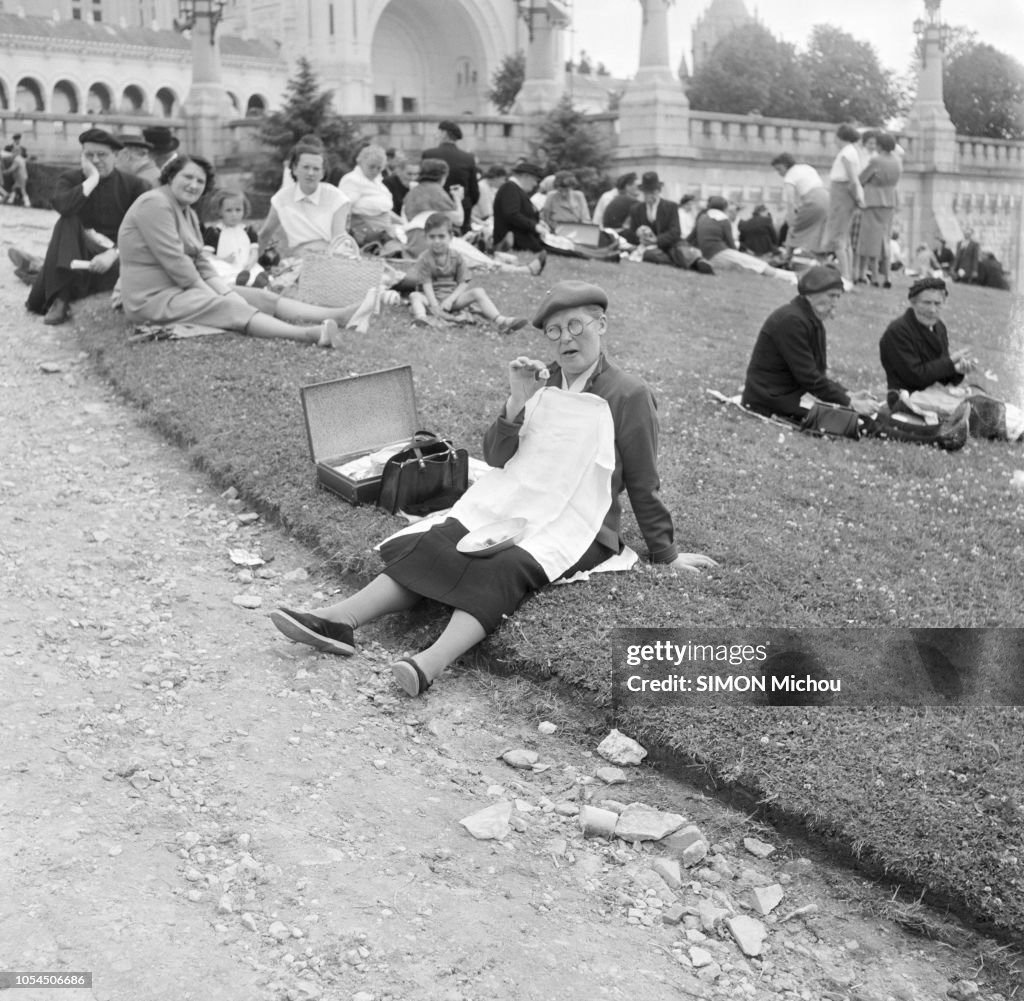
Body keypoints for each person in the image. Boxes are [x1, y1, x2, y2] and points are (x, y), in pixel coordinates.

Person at [269, 280, 718, 696]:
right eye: (555, 331)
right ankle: (339, 619)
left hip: (581, 524)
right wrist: (517, 401)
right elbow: (500, 457)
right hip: (519, 502)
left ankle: (430, 663)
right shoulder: (541, 382)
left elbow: (643, 480)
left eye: (576, 326)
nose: (566, 339)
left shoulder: (629, 394)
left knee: (511, 563)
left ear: (601, 325)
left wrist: (666, 554)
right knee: (443, 539)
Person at [118, 154, 361, 348]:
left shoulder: (186, 211)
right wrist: (219, 298)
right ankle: (309, 334)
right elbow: (175, 263)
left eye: (200, 181)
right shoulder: (154, 204)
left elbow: (199, 260)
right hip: (153, 299)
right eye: (188, 177)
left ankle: (338, 315)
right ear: (171, 176)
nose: (194, 185)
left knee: (260, 297)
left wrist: (225, 291)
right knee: (230, 307)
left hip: (180, 289)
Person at [743, 267, 969, 448]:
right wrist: (849, 401)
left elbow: (814, 375)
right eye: (831, 296)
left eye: (837, 297)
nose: (835, 303)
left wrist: (847, 394)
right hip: (770, 398)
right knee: (854, 420)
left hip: (792, 392)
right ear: (812, 294)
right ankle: (935, 440)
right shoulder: (792, 321)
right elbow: (809, 376)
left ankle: (936, 432)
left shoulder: (808, 319)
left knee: (861, 414)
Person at [22, 128, 150, 325]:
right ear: (82, 156)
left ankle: (39, 271)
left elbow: (142, 229)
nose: (96, 160)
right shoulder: (71, 179)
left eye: (102, 155)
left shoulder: (134, 185)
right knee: (67, 220)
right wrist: (91, 180)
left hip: (114, 257)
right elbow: (63, 206)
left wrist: (114, 253)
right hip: (76, 252)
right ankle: (61, 299)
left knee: (50, 269)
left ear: (116, 156)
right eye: (89, 155)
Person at [879, 277, 1023, 440]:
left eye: (937, 304)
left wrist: (957, 371)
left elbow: (943, 375)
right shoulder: (898, 331)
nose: (932, 310)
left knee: (983, 399)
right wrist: (950, 363)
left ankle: (1015, 425)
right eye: (926, 303)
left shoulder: (938, 328)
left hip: (936, 391)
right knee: (975, 407)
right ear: (913, 303)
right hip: (908, 396)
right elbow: (915, 376)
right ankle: (1014, 430)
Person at [407, 214, 528, 333]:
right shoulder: (424, 258)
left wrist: (450, 300)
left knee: (478, 292)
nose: (436, 241)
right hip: (431, 299)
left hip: (452, 300)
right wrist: (435, 307)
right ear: (425, 237)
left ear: (451, 237)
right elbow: (426, 285)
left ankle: (501, 320)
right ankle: (422, 319)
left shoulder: (456, 256)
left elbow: (463, 282)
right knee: (415, 296)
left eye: (441, 236)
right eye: (432, 237)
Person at [258, 140, 351, 256]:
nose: (310, 173)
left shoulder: (336, 197)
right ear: (295, 169)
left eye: (316, 169)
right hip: (301, 259)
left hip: (333, 258)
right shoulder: (281, 199)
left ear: (323, 173)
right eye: (305, 167)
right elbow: (264, 234)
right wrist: (249, 264)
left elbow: (338, 240)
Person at [622, 172, 713, 274]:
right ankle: (682, 262)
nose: (649, 195)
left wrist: (657, 240)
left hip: (669, 244)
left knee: (680, 250)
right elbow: (631, 233)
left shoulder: (671, 207)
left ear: (658, 191)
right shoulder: (636, 209)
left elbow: (675, 231)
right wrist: (639, 234)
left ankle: (698, 261)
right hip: (648, 247)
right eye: (647, 192)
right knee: (651, 255)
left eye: (652, 192)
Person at [692, 196, 795, 282]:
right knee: (757, 265)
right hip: (721, 252)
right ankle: (791, 276)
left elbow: (693, 237)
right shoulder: (723, 219)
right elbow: (730, 242)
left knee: (751, 266)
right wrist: (738, 254)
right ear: (724, 207)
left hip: (708, 255)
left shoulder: (703, 217)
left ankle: (789, 275)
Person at [854, 132, 901, 287]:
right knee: (885, 240)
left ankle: (873, 276)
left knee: (870, 241)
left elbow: (861, 178)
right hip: (890, 202)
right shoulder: (897, 161)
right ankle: (887, 277)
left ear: (880, 145)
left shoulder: (876, 160)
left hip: (873, 200)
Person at [337, 144, 403, 250]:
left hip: (385, 229)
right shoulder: (352, 180)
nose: (375, 171)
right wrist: (345, 235)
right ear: (361, 162)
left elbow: (385, 210)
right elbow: (344, 209)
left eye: (379, 168)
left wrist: (403, 222)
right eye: (371, 166)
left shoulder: (378, 182)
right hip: (366, 233)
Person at [420, 120, 479, 235]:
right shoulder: (468, 158)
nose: (436, 135)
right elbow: (474, 191)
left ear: (444, 133)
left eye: (438, 132)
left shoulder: (429, 154)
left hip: (434, 208)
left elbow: (423, 184)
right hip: (461, 206)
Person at [823, 124, 864, 281]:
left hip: (842, 195)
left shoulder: (847, 154)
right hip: (842, 195)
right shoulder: (851, 152)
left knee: (838, 238)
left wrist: (858, 198)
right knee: (844, 238)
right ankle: (848, 274)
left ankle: (845, 275)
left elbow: (852, 180)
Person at [770, 153, 829, 258]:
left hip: (813, 200)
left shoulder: (789, 176)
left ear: (786, 165)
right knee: (818, 229)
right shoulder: (806, 168)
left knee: (794, 228)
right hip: (826, 197)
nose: (779, 173)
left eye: (779, 169)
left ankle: (788, 256)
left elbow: (790, 200)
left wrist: (790, 218)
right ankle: (819, 255)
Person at [201, 189, 264, 287]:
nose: (234, 214)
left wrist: (250, 263)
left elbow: (254, 251)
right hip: (226, 265)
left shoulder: (248, 231)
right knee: (218, 269)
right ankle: (238, 282)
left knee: (255, 271)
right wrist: (222, 259)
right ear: (219, 211)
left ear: (244, 210)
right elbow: (205, 254)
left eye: (238, 210)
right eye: (228, 210)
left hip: (245, 265)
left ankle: (253, 282)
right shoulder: (215, 232)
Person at [493, 162, 548, 255]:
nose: (535, 184)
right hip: (514, 239)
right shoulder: (510, 187)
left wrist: (538, 223)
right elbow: (512, 214)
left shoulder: (515, 189)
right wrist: (534, 226)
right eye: (535, 180)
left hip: (522, 237)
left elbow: (523, 213)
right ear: (526, 176)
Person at [382, 153, 416, 217]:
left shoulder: (418, 185)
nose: (413, 178)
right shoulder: (388, 183)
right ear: (399, 171)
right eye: (409, 174)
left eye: (416, 174)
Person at [2, 133, 31, 207]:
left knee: (22, 189)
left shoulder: (17, 160)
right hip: (21, 176)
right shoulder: (21, 158)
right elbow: (25, 159)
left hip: (20, 177)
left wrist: (5, 172)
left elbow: (12, 169)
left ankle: (27, 203)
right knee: (14, 188)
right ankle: (10, 200)